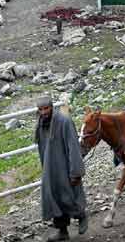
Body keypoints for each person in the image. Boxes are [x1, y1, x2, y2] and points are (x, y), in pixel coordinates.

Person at [35, 97, 87, 241]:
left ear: (52, 107)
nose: (44, 112)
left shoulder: (64, 121)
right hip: (50, 168)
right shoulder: (41, 124)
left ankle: (81, 216)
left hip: (65, 166)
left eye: (46, 108)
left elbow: (73, 147)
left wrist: (76, 171)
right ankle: (62, 231)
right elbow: (42, 148)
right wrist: (45, 168)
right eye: (41, 109)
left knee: (69, 195)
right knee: (55, 198)